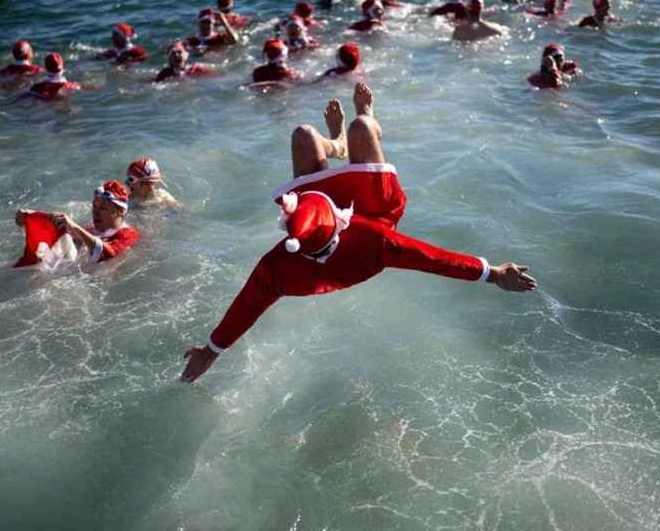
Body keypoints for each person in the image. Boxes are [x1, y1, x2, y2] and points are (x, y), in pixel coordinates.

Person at [178, 83, 538, 383]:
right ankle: (361, 126)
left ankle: (336, 142)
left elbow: (245, 306)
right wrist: (493, 274)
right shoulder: (367, 242)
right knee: (363, 126)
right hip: (376, 214)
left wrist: (210, 351)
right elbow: (432, 258)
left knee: (304, 135)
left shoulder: (283, 257)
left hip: (331, 220)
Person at [16, 180, 141, 264]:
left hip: (99, 287)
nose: (95, 212)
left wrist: (73, 226)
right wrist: (32, 222)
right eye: (94, 206)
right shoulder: (90, 230)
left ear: (120, 211)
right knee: (42, 258)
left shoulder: (129, 234)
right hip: (75, 277)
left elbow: (107, 253)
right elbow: (59, 249)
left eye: (102, 208)